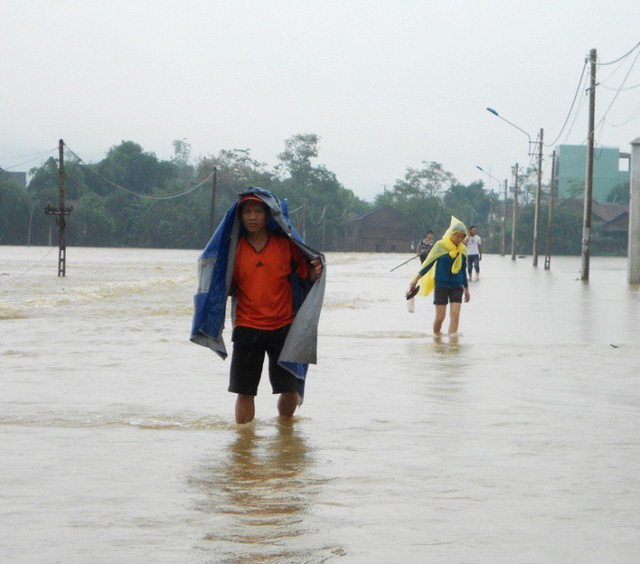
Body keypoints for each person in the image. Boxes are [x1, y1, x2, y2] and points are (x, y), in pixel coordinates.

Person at [190, 188, 325, 425]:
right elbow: (222, 288)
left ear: (267, 216)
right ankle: (243, 446)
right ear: (241, 217)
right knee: (245, 391)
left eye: (258, 212)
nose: (252, 217)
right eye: (248, 212)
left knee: (289, 388)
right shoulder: (234, 250)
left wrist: (316, 273)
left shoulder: (286, 246)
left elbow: (306, 278)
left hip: (283, 327)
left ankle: (285, 434)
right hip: (247, 327)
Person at [407, 216, 470, 335]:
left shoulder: (463, 250)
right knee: (441, 317)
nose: (459, 239)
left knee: (455, 315)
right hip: (441, 285)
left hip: (457, 286)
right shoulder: (440, 246)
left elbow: (462, 270)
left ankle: (452, 344)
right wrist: (416, 279)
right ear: (452, 234)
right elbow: (428, 263)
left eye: (462, 237)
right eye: (457, 236)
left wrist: (466, 289)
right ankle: (437, 338)